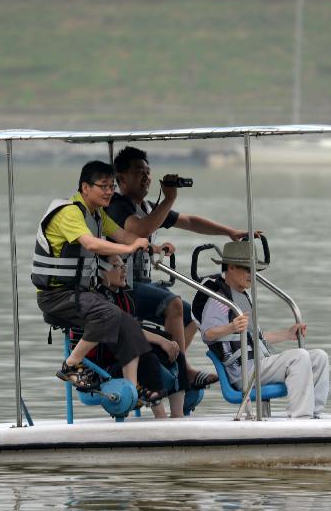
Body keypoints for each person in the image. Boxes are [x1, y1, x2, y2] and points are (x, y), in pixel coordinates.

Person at [107, 145, 253, 388]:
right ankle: (182, 373)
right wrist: (169, 198)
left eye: (148, 172)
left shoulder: (148, 207)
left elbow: (189, 221)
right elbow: (139, 229)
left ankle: (171, 364)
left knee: (190, 315)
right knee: (173, 304)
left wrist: (229, 232)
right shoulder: (117, 205)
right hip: (119, 287)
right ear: (121, 178)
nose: (146, 178)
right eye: (138, 172)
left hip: (140, 284)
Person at [33, 160, 153, 397]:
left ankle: (131, 390)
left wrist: (154, 247)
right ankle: (70, 366)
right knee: (107, 313)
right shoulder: (69, 213)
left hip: (80, 293)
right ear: (85, 188)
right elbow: (89, 243)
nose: (109, 191)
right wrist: (127, 250)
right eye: (103, 186)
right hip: (55, 296)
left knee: (128, 323)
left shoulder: (96, 214)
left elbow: (123, 235)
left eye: (112, 186)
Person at [194, 241, 329, 418]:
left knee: (320, 357)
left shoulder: (241, 297)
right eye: (248, 269)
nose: (252, 274)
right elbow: (207, 334)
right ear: (232, 268)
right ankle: (301, 417)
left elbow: (254, 338)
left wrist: (287, 334)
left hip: (259, 364)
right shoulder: (220, 301)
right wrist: (231, 327)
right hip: (243, 372)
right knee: (299, 357)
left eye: (254, 270)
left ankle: (315, 414)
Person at [94, 253, 188, 418]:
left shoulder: (124, 297)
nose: (123, 271)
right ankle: (160, 416)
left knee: (175, 352)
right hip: (107, 368)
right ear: (101, 272)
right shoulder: (98, 299)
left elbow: (134, 328)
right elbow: (125, 330)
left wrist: (165, 342)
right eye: (116, 266)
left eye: (124, 266)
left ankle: (177, 416)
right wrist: (160, 340)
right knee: (148, 359)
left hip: (131, 353)